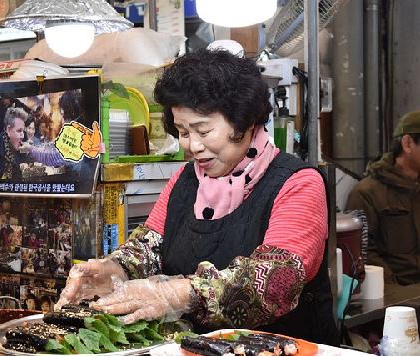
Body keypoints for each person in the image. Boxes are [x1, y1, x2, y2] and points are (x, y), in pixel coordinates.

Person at [56, 48, 338, 345]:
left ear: (243, 121)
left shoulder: (298, 183)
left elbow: (271, 285)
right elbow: (148, 249)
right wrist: (114, 271)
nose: (192, 146)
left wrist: (174, 294)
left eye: (203, 130)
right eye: (182, 131)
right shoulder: (186, 180)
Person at [346, 111, 420, 285]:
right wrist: (395, 291)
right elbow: (363, 253)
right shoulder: (366, 193)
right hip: (393, 295)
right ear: (408, 144)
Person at [0, 107, 28, 180]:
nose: (23, 136)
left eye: (23, 131)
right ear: (8, 130)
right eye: (19, 131)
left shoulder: (15, 147)